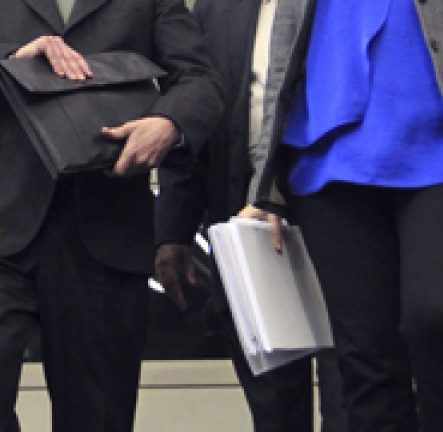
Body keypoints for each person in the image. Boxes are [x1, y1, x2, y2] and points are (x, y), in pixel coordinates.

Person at [0, 0, 223, 431]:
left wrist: (169, 122)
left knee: (97, 412)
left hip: (108, 223)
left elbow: (200, 80)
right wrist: (11, 60)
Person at [239, 0, 443, 431]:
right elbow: (283, 54)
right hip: (329, 160)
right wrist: (267, 184)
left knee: (437, 316)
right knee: (366, 357)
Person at [153, 0, 347, 431]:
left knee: (354, 389)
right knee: (273, 401)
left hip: (342, 200)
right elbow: (195, 111)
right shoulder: (216, 9)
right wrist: (173, 229)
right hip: (244, 214)